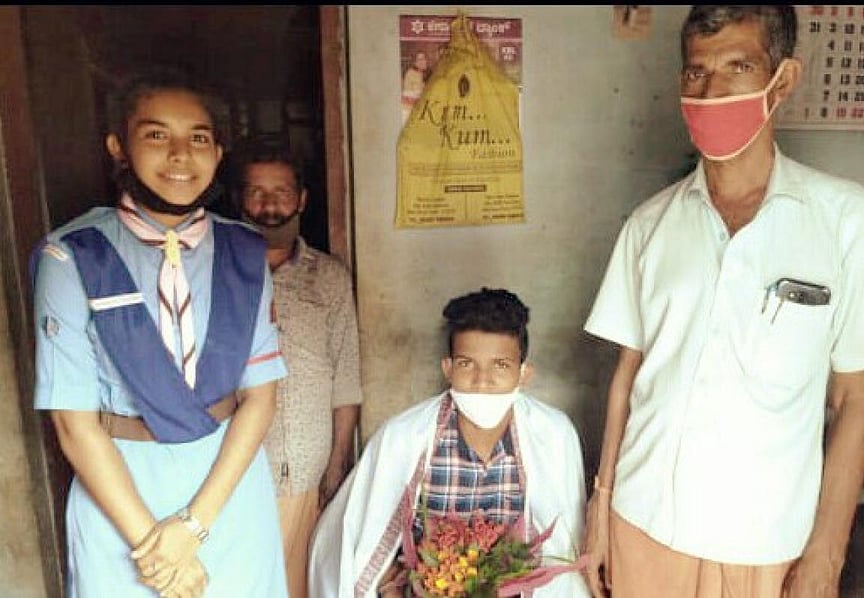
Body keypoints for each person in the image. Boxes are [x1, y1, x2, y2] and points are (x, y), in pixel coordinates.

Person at [581, 6, 864, 598]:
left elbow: (857, 398)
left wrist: (825, 558)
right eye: (696, 72)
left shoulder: (848, 221)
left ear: (782, 80)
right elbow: (627, 377)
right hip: (644, 522)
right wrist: (599, 510)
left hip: (765, 541)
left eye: (738, 66)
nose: (712, 89)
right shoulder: (650, 225)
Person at [31, 67, 288, 597]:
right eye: (156, 135)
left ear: (218, 154)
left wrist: (193, 527)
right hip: (121, 498)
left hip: (228, 490)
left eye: (198, 138)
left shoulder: (244, 252)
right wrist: (155, 545)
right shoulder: (72, 255)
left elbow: (260, 400)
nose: (179, 154)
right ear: (118, 148)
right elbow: (74, 427)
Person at [308, 288, 590, 597]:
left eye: (500, 366)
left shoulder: (554, 436)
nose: (483, 380)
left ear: (524, 373)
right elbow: (362, 545)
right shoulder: (403, 438)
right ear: (448, 368)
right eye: (467, 364)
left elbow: (566, 547)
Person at [229, 136, 363, 598]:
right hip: (230, 468)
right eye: (257, 192)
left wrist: (338, 464)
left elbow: (345, 378)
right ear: (239, 199)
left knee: (300, 585)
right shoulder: (214, 272)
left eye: (282, 192)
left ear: (302, 198)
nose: (270, 205)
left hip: (305, 469)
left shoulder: (329, 277)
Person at [401, 50, 431, 123]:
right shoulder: (410, 74)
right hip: (409, 112)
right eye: (420, 59)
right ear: (414, 62)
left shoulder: (426, 74)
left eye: (424, 59)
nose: (423, 61)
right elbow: (406, 96)